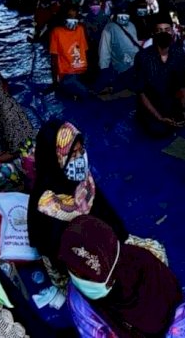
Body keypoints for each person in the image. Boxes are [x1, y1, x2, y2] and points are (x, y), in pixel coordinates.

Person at [28, 119, 129, 287]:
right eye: (72, 154)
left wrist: (118, 241)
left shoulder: (82, 181)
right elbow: (57, 251)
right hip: (76, 265)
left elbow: (105, 212)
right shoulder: (47, 205)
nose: (80, 158)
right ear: (55, 158)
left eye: (81, 150)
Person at [59, 215, 185, 338]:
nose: (77, 280)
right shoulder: (79, 300)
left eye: (87, 277)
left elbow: (176, 312)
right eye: (73, 271)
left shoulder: (146, 263)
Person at [133, 12, 185, 138]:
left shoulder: (179, 54)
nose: (163, 33)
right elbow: (141, 93)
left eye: (167, 30)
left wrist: (184, 111)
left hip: (172, 102)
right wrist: (159, 117)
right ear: (153, 33)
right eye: (159, 30)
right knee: (159, 130)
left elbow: (184, 86)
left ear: (172, 31)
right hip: (152, 105)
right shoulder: (143, 57)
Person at [49, 6, 91, 100]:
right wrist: (55, 82)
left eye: (75, 17)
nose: (73, 20)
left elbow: (84, 51)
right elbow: (53, 59)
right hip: (67, 74)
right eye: (70, 17)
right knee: (86, 94)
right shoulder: (57, 32)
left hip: (82, 72)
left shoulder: (80, 29)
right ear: (64, 17)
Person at [98, 8, 140, 93]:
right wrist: (104, 68)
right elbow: (104, 50)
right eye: (121, 14)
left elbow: (135, 44)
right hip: (121, 66)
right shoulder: (109, 28)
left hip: (135, 63)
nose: (124, 17)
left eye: (126, 14)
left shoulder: (131, 25)